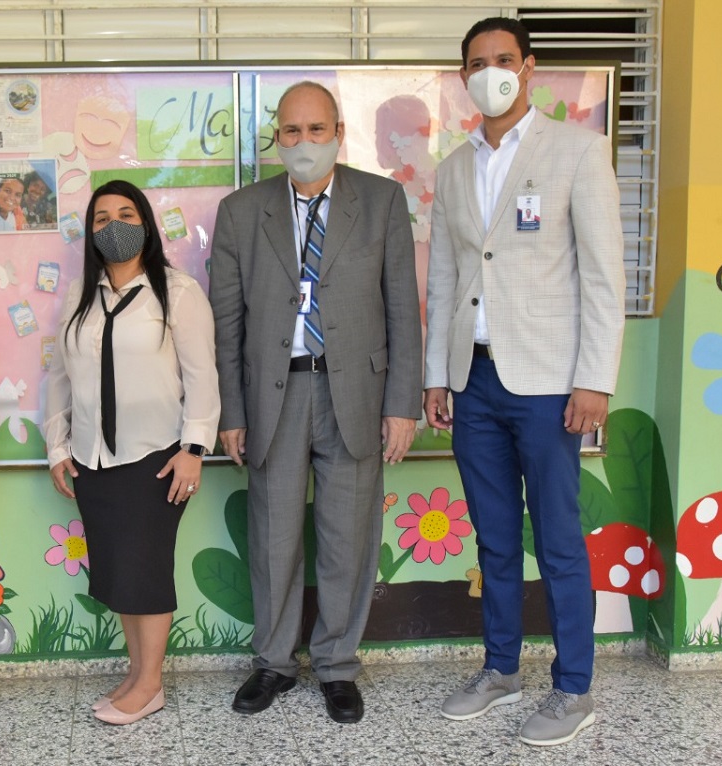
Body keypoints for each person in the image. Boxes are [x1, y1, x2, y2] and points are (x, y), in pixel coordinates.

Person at [424, 17, 626, 747]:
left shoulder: (576, 151)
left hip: (548, 383)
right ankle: (501, 669)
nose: (490, 73)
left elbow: (604, 277)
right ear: (464, 77)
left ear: (529, 67)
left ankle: (574, 688)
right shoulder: (452, 168)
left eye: (503, 60)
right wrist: (437, 376)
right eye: (476, 63)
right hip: (473, 381)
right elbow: (445, 277)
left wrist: (594, 380)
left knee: (560, 539)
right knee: (496, 538)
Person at [210, 81, 421, 724]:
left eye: (317, 130)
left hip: (354, 389)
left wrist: (402, 403)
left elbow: (402, 309)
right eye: (291, 132)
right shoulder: (242, 211)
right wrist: (232, 413)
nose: (304, 143)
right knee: (273, 536)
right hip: (274, 392)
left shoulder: (381, 201)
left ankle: (335, 665)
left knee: (347, 537)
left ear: (338, 132)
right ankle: (273, 662)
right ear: (277, 137)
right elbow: (227, 322)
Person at [44, 179, 220, 726]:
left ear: (144, 222)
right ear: (90, 233)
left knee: (145, 571)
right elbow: (58, 378)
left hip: (157, 457)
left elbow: (203, 378)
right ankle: (136, 672)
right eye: (100, 218)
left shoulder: (179, 292)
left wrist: (194, 449)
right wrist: (56, 444)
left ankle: (150, 684)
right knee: (120, 571)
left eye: (125, 213)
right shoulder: (79, 296)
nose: (113, 225)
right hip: (93, 458)